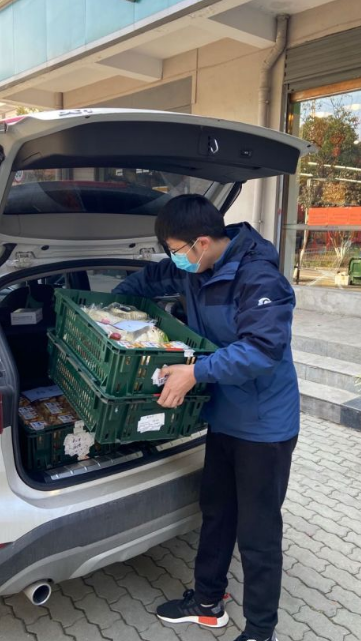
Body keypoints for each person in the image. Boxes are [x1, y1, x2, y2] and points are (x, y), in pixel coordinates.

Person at [113, 194, 299, 641]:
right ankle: (207, 602)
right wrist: (108, 307)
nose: (173, 258)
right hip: (225, 417)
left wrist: (195, 372)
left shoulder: (260, 279)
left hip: (265, 426)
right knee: (216, 512)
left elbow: (262, 350)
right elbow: (149, 279)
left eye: (176, 250)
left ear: (201, 242)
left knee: (257, 533)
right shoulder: (194, 267)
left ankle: (261, 631)